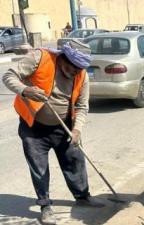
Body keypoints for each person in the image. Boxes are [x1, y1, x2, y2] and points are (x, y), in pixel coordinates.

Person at [2, 40, 104, 225]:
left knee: (74, 161)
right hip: (34, 128)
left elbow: (82, 106)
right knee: (39, 169)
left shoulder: (81, 76)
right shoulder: (40, 57)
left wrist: (77, 129)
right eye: (71, 67)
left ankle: (82, 197)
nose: (74, 72)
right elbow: (9, 76)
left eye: (78, 69)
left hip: (63, 127)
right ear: (62, 57)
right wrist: (25, 91)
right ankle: (45, 206)